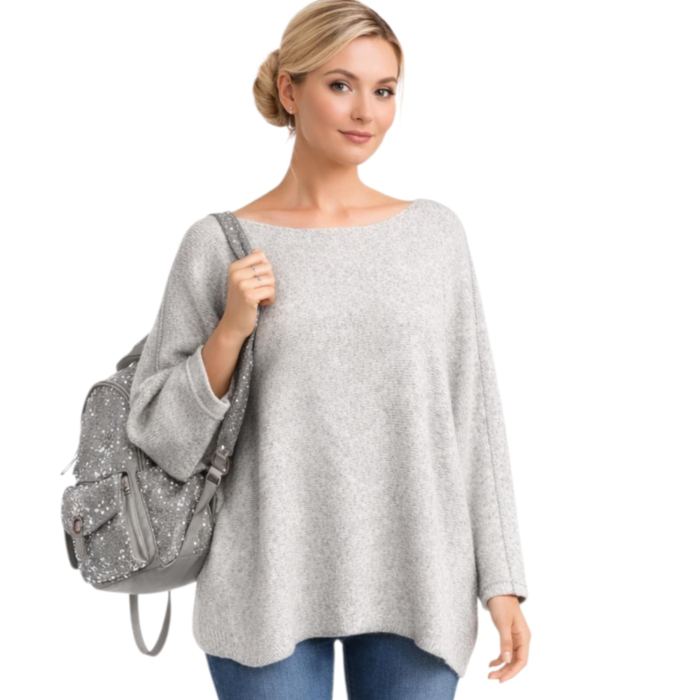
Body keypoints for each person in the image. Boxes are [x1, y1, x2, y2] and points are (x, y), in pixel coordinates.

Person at [126, 1, 532, 698]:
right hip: (264, 582)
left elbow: (475, 418)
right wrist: (230, 331)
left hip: (421, 574)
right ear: (290, 91)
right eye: (341, 85)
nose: (365, 112)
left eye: (385, 90)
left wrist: (503, 582)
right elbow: (158, 434)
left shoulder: (434, 236)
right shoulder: (218, 245)